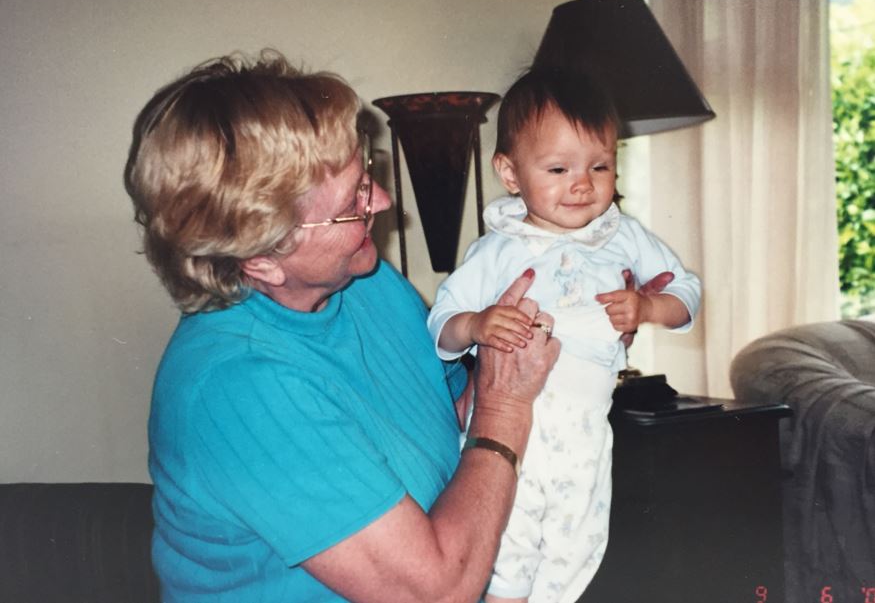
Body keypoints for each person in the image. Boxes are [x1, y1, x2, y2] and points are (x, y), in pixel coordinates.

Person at [123, 50, 562, 603]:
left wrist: (540, 338)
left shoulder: (367, 284)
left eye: (367, 176)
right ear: (261, 257)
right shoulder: (238, 387)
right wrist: (506, 407)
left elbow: (445, 422)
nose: (380, 202)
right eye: (351, 204)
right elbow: (436, 592)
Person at [427, 69, 702, 603]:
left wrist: (648, 307)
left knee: (572, 555)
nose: (582, 183)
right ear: (509, 173)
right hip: (514, 435)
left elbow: (687, 292)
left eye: (600, 166)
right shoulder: (498, 249)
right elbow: (443, 322)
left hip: (586, 433)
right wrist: (479, 324)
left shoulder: (623, 235)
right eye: (558, 168)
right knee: (508, 554)